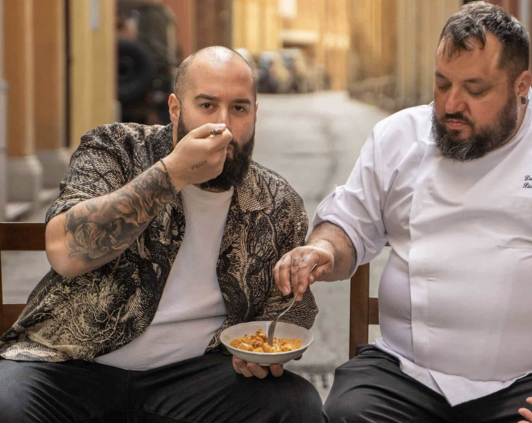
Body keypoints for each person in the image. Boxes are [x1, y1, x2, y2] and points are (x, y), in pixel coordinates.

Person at [275, 2, 532, 422]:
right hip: (406, 374)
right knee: (346, 415)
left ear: (522, 86)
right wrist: (322, 250)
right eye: (442, 83)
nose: (451, 104)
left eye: (475, 89)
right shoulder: (397, 137)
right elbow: (348, 224)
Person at [0, 46, 326, 423]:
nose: (223, 125)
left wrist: (263, 353)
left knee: (296, 407)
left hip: (196, 378)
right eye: (206, 105)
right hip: (72, 365)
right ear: (175, 108)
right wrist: (173, 174)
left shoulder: (277, 202)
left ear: (255, 113)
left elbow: (285, 309)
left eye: (239, 108)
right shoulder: (114, 150)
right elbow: (65, 252)